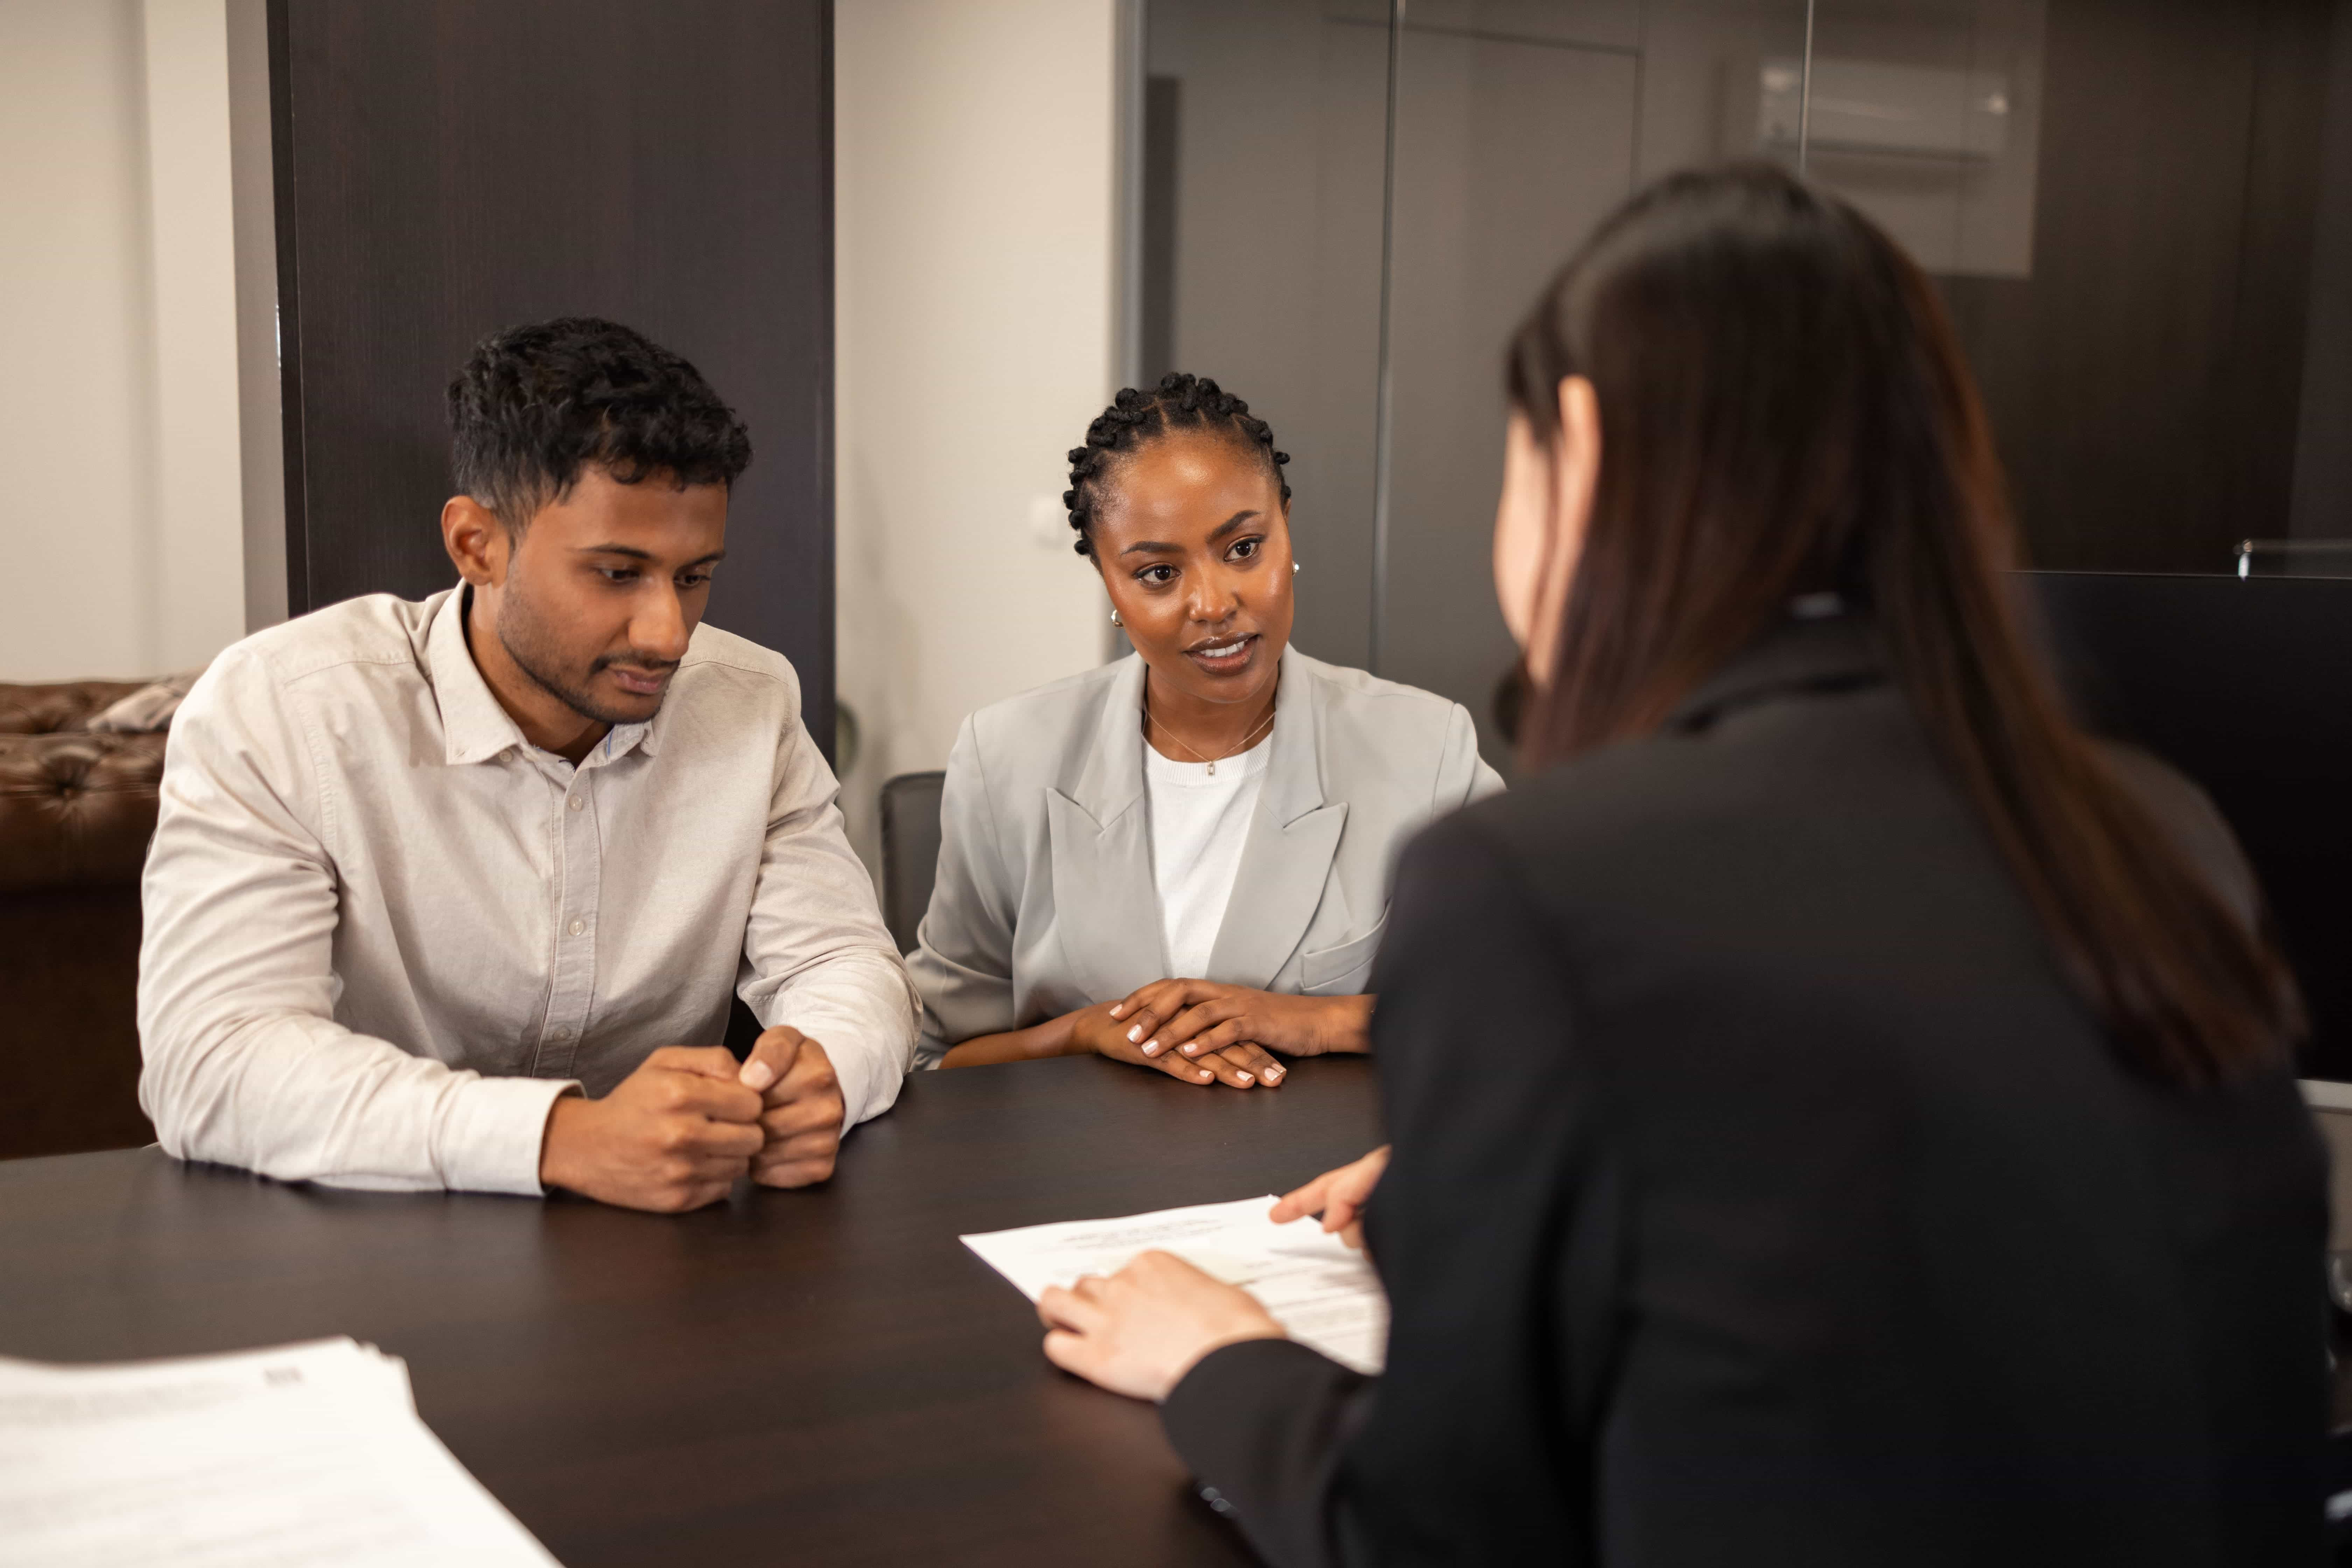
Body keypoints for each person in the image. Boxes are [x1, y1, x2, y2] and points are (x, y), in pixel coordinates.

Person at [1032, 167, 2329, 1564]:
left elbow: (1436, 1530)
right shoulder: (2164, 831)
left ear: (1577, 452)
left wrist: (1222, 1359)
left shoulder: (1527, 885)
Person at [138, 318, 917, 1212]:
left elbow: (844, 961)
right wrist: (560, 1136)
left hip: (657, 1247)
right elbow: (212, 1060)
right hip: (343, 1235)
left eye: (695, 575)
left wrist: (822, 1070)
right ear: (478, 545)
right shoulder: (283, 707)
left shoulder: (750, 699)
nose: (669, 633)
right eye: (619, 573)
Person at [905, 373, 1502, 1087]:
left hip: (1318, 1183)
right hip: (1080, 1184)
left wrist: (1315, 1020)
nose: (1214, 603)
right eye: (1158, 572)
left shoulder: (1427, 750)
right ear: (1109, 584)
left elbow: (1526, 1008)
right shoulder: (1005, 756)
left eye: (1245, 548)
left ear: (1286, 526)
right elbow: (937, 1054)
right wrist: (1085, 1030)